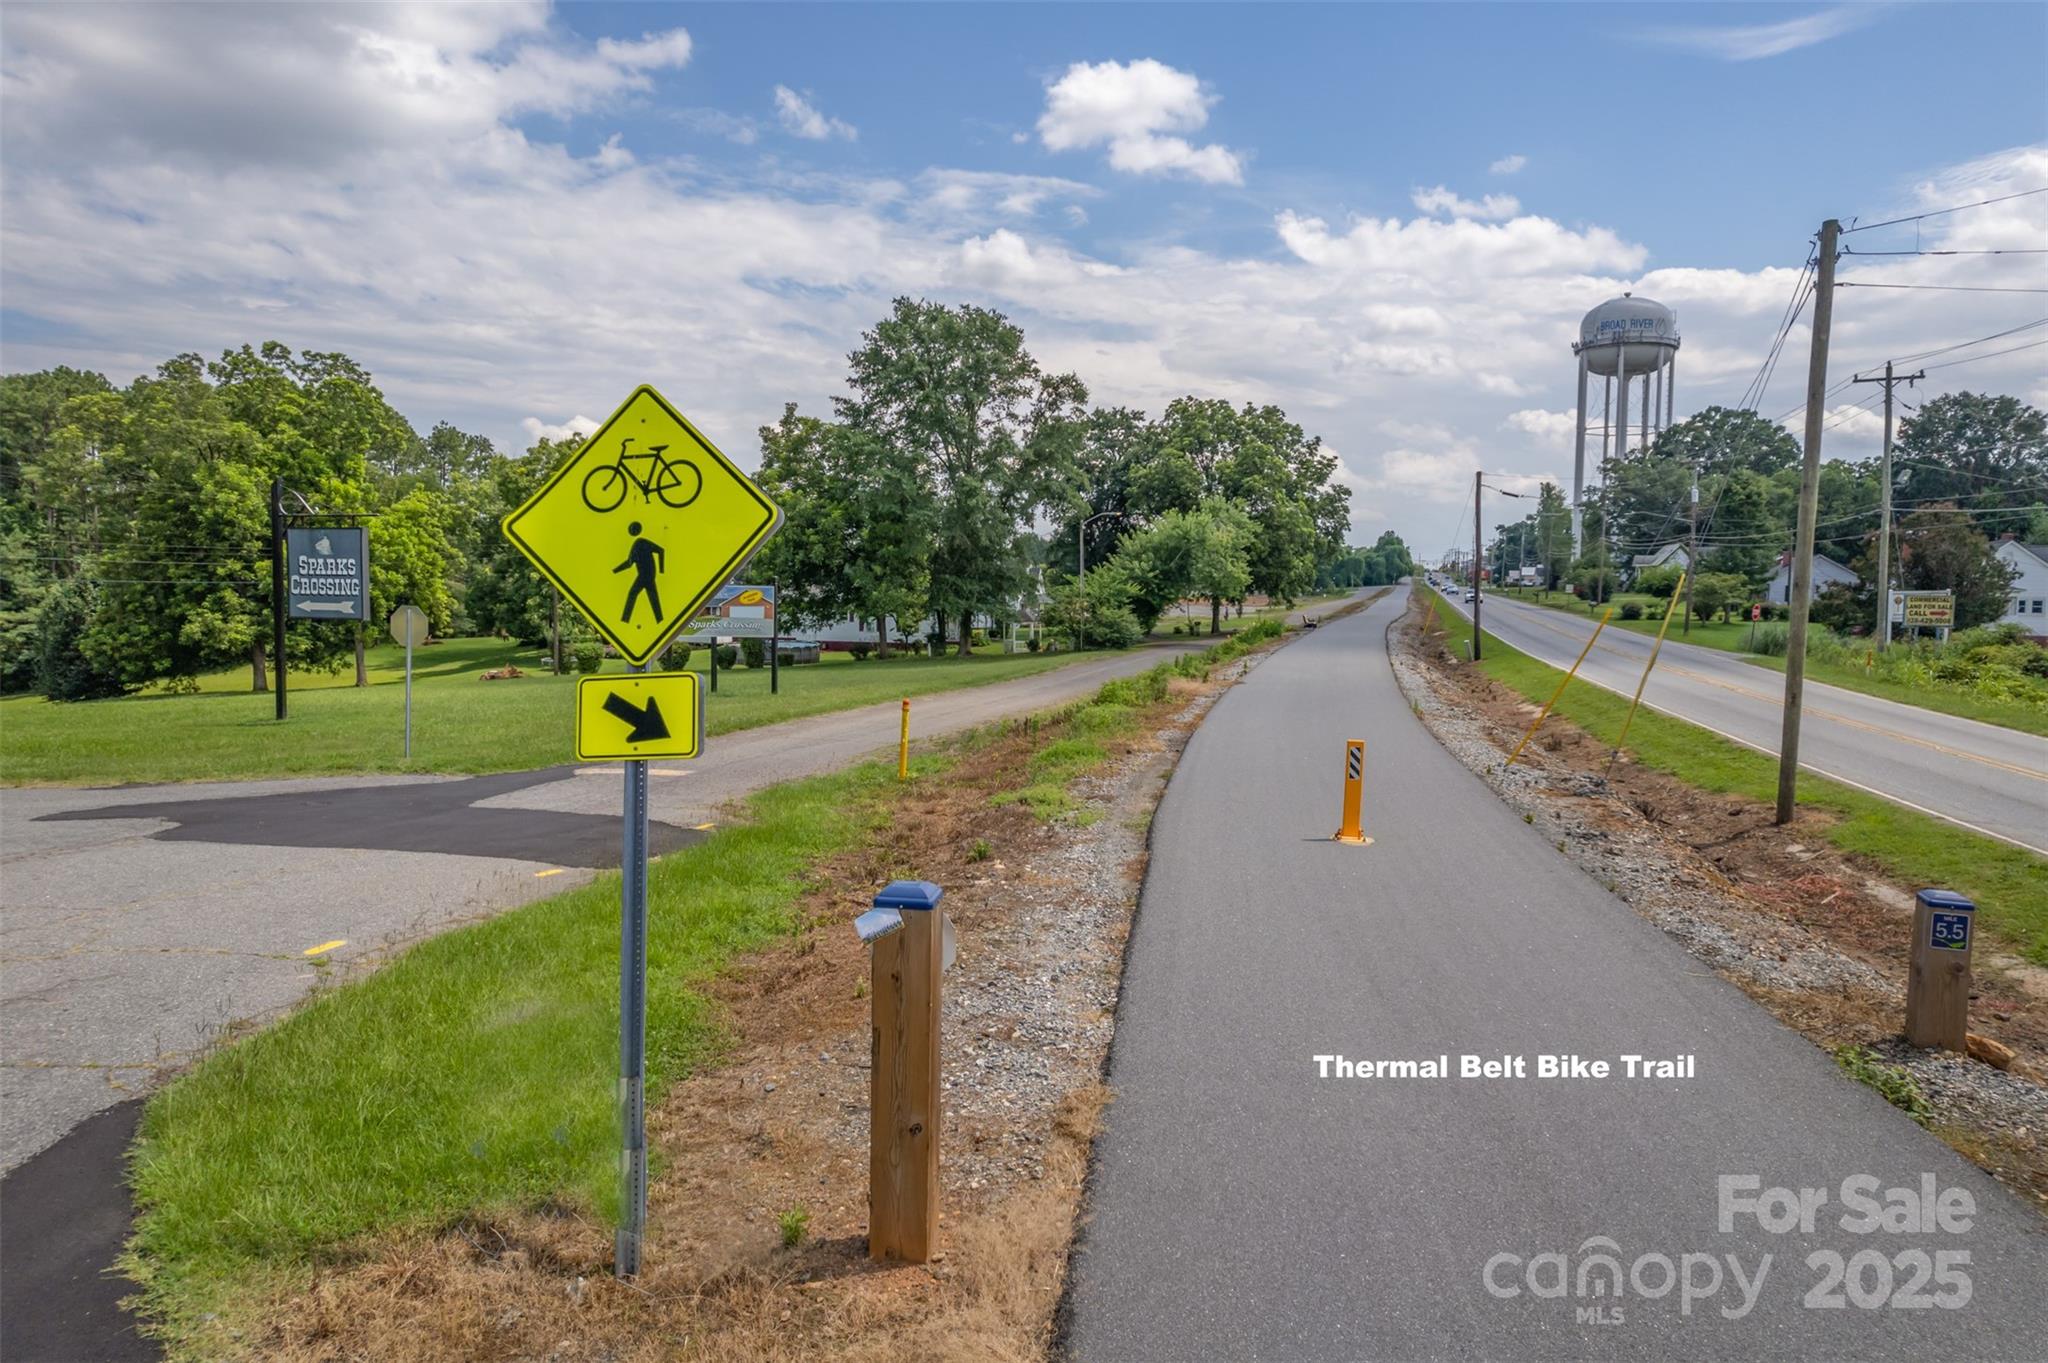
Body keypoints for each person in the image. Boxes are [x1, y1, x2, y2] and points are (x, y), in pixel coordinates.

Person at [615, 521, 665, 623]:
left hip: (645, 575)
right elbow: (629, 563)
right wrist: (615, 571)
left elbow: (661, 550)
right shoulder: (637, 544)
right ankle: (660, 620)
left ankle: (625, 619)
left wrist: (661, 569)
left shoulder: (641, 542)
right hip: (648, 575)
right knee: (653, 597)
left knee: (633, 594)